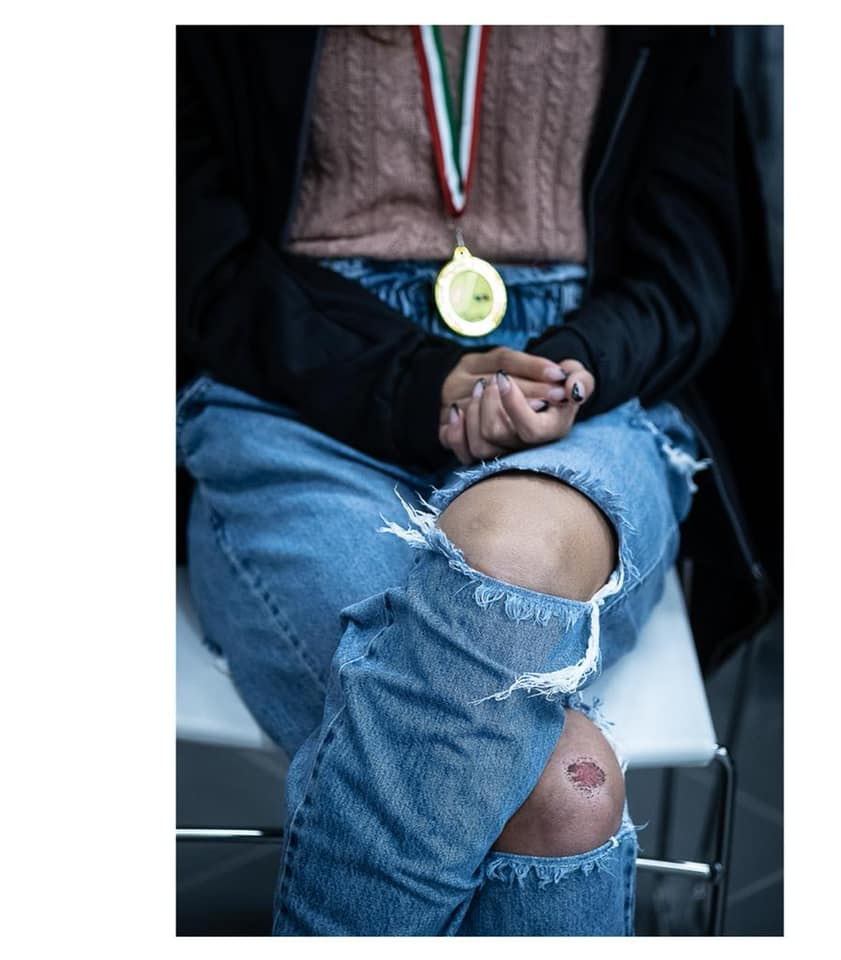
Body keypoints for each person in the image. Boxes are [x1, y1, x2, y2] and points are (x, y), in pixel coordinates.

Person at [177, 24, 741, 936]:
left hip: (584, 381)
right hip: (302, 376)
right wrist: (417, 379)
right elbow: (196, 251)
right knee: (559, 796)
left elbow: (692, 264)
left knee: (512, 554)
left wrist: (571, 365)